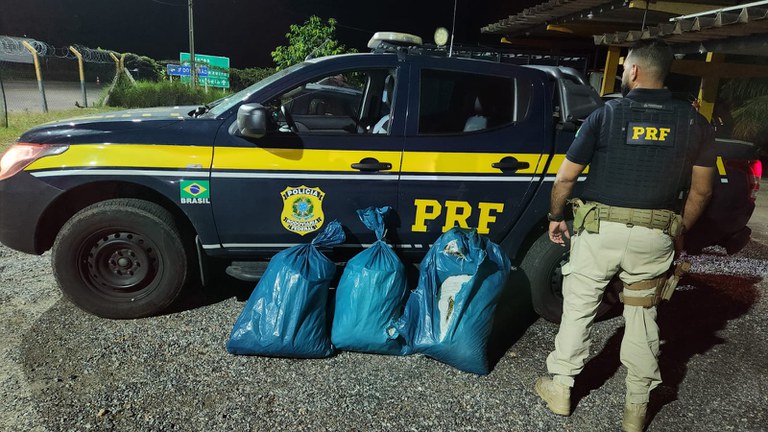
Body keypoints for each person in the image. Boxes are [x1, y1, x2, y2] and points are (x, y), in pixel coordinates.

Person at [534, 39, 716, 432]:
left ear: (633, 70)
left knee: (579, 306)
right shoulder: (693, 123)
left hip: (600, 231)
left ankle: (561, 388)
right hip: (654, 235)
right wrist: (678, 230)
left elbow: (565, 178)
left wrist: (555, 216)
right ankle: (636, 407)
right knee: (642, 315)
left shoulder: (605, 115)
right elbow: (702, 191)